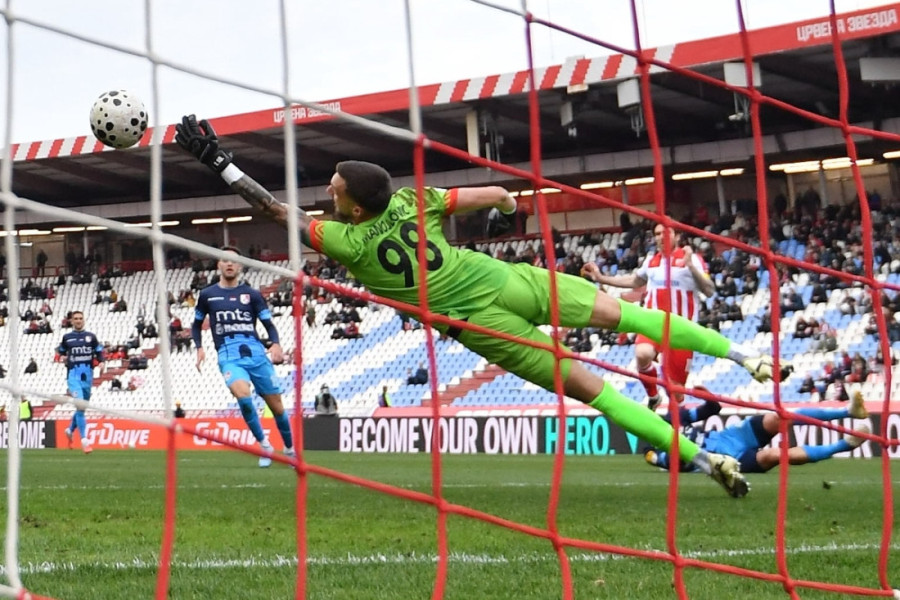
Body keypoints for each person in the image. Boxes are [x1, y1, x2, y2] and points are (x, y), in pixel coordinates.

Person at [175, 115, 796, 498]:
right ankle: (747, 357)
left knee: (596, 392)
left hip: (485, 327)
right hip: (506, 279)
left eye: (333, 188)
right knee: (627, 314)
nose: (328, 192)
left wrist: (221, 163)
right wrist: (503, 205)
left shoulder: (343, 241)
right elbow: (496, 192)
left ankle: (705, 458)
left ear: (353, 207)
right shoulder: (411, 199)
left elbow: (275, 212)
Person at [582, 222, 715, 410]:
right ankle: (653, 397)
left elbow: (709, 291)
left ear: (676, 236)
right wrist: (602, 278)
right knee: (642, 354)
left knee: (676, 393)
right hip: (653, 322)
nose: (661, 237)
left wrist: (691, 267)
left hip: (682, 330)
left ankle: (679, 428)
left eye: (665, 233)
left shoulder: (692, 259)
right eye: (657, 233)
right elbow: (635, 280)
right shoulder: (652, 260)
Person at [192, 246, 294, 467]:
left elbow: (269, 324)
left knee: (277, 407)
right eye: (225, 260)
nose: (229, 264)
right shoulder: (207, 295)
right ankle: (265, 445)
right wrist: (199, 347)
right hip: (229, 355)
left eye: (233, 261)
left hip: (256, 354)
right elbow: (196, 325)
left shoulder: (253, 295)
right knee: (243, 397)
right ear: (218, 264)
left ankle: (289, 448)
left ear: (239, 266)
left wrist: (276, 343)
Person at [645, 391, 871, 474]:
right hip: (723, 460)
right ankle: (845, 445)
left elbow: (712, 409)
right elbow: (674, 463)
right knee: (773, 455)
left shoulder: (675, 417)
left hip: (731, 437)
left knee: (780, 417)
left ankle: (849, 411)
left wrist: (706, 396)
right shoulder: (656, 448)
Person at [57, 311, 105, 453]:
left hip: (88, 376)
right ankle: (85, 441)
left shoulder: (91, 337)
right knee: (79, 403)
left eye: (80, 318)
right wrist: (62, 358)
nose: (78, 321)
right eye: (76, 319)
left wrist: (102, 363)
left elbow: (100, 351)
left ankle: (70, 430)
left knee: (81, 408)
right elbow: (60, 351)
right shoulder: (67, 338)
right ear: (71, 321)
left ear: (83, 320)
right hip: (73, 375)